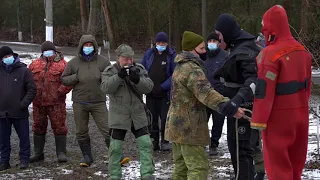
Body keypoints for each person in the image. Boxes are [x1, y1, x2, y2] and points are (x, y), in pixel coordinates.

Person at [165, 31, 244, 180]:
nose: (204, 51)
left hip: (176, 126)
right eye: (201, 49)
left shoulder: (180, 66)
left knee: (181, 169)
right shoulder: (192, 69)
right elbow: (206, 93)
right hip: (189, 128)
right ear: (191, 49)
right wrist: (228, 105)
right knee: (198, 168)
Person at [251, 5, 312, 180]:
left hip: (277, 119)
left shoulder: (268, 54)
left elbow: (264, 91)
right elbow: (307, 87)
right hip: (300, 114)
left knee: (278, 166)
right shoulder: (302, 51)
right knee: (295, 164)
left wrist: (258, 121)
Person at [213, 14, 265, 179]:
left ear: (227, 33)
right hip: (239, 110)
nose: (218, 39)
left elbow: (253, 79)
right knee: (240, 151)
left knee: (241, 152)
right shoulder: (240, 47)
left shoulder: (245, 50)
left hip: (242, 111)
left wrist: (236, 100)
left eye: (219, 35)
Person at [101, 44, 155, 180]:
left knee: (146, 143)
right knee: (115, 147)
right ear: (118, 58)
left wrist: (137, 80)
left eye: (130, 59)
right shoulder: (110, 71)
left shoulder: (139, 69)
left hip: (137, 113)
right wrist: (118, 77)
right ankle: (114, 175)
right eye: (125, 59)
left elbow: (149, 87)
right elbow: (105, 88)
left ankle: (147, 173)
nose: (129, 62)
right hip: (119, 115)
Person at [61, 35, 111, 167]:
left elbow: (112, 77)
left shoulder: (103, 61)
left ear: (94, 46)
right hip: (80, 102)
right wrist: (76, 77)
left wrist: (104, 77)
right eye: (85, 45)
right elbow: (64, 78)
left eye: (90, 45)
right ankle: (87, 157)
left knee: (107, 129)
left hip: (98, 101)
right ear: (81, 46)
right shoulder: (73, 63)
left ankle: (116, 154)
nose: (88, 47)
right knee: (81, 131)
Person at [28, 41, 72, 164]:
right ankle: (38, 153)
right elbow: (27, 81)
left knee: (59, 128)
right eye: (45, 50)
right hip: (38, 104)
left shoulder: (63, 64)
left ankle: (61, 153)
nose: (47, 53)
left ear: (54, 50)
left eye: (50, 50)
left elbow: (69, 81)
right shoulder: (34, 64)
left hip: (56, 104)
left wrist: (60, 92)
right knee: (38, 127)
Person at [0, 46, 37, 170]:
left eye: (9, 56)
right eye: (4, 57)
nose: (7, 58)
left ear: (13, 55)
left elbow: (32, 89)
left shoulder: (23, 70)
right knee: (3, 139)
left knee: (24, 138)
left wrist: (23, 104)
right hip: (2, 113)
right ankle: (4, 161)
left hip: (19, 112)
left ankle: (24, 160)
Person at [141, 32, 176, 151]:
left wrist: (163, 86)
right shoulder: (148, 54)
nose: (161, 44)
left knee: (165, 118)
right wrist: (146, 85)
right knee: (151, 118)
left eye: (163, 43)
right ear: (155, 43)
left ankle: (165, 140)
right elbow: (142, 70)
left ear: (167, 43)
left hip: (164, 94)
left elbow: (174, 74)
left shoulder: (171, 56)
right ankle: (154, 141)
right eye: (159, 42)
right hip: (150, 93)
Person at [204, 32, 228, 156]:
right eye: (210, 41)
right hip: (204, 95)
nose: (212, 43)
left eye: (215, 41)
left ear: (219, 43)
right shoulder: (203, 55)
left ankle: (214, 144)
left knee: (218, 121)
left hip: (219, 95)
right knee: (202, 120)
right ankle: (202, 142)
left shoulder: (225, 56)